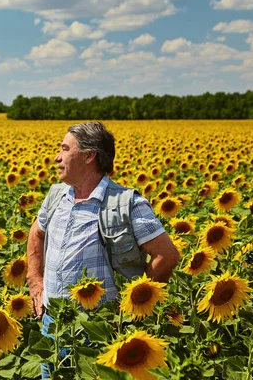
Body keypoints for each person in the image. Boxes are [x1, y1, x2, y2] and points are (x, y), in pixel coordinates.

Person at [26, 122, 180, 378]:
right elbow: (36, 232)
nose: (57, 156)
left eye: (64, 149)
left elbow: (167, 256)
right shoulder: (56, 196)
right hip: (52, 321)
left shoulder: (126, 203)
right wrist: (35, 279)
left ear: (89, 156)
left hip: (99, 326)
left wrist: (133, 306)